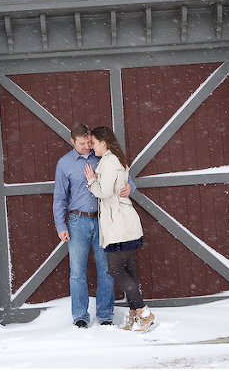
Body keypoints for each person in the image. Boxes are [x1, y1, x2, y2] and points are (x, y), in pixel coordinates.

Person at [53, 123, 133, 328]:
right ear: (72, 141)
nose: (87, 146)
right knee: (77, 272)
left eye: (89, 142)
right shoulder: (64, 164)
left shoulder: (103, 157)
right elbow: (60, 197)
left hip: (103, 220)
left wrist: (129, 188)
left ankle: (106, 314)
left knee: (106, 269)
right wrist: (60, 225)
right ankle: (80, 315)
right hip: (77, 221)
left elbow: (126, 178)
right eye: (82, 143)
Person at [83, 126, 155, 333]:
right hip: (126, 222)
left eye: (93, 143)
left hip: (118, 225)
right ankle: (135, 316)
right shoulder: (117, 159)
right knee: (129, 271)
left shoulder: (108, 162)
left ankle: (144, 313)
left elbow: (103, 192)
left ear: (103, 142)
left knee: (115, 270)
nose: (91, 147)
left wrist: (91, 180)